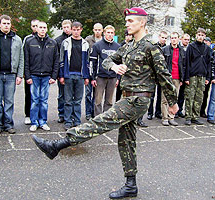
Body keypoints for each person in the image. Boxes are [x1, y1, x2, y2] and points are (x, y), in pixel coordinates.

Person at [31, 7, 178, 199]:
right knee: (126, 140)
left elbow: (164, 75)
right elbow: (106, 61)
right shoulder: (128, 46)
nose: (127, 24)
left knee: (101, 121)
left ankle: (58, 145)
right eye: (126, 21)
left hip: (138, 99)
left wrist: (173, 103)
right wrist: (115, 66)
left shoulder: (151, 47)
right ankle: (130, 185)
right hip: (127, 96)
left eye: (131, 21)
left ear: (142, 23)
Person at [0, 15, 24, 135]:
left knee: (9, 101)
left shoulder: (17, 39)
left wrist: (19, 75)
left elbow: (21, 58)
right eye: (4, 23)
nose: (6, 25)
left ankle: (8, 124)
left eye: (8, 23)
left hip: (11, 75)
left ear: (10, 25)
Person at [24, 21, 59, 132]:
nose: (42, 29)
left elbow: (56, 61)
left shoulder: (52, 43)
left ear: (47, 29)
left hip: (46, 76)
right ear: (36, 29)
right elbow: (26, 61)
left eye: (44, 27)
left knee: (44, 100)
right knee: (35, 100)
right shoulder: (29, 42)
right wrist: (27, 76)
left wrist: (54, 76)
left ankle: (43, 121)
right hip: (34, 76)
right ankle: (34, 122)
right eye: (40, 27)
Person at [59, 21, 90, 130]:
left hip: (80, 75)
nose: (76, 32)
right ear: (71, 30)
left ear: (81, 29)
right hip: (68, 75)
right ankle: (67, 121)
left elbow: (87, 62)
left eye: (78, 29)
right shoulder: (66, 42)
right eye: (74, 29)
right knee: (68, 100)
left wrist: (87, 77)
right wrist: (61, 75)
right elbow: (61, 59)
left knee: (77, 100)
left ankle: (77, 120)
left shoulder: (85, 44)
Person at [90, 25, 120, 116]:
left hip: (113, 77)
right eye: (108, 32)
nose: (110, 35)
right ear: (104, 33)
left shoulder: (118, 46)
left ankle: (106, 119)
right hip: (100, 77)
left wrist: (118, 78)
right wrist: (93, 78)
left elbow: (120, 63)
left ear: (114, 34)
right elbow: (93, 63)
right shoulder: (97, 45)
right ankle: (98, 119)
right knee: (98, 100)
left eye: (111, 33)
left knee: (109, 101)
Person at [184, 28, 211, 125]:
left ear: (205, 37)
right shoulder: (191, 47)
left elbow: (209, 64)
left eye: (202, 35)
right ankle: (188, 116)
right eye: (199, 34)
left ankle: (195, 116)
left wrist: (208, 77)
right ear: (196, 35)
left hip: (202, 76)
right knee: (190, 96)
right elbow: (186, 62)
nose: (200, 36)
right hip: (192, 76)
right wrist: (186, 77)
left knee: (199, 97)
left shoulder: (207, 48)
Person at [161, 32, 185, 126]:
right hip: (167, 78)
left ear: (178, 39)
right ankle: (165, 118)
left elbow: (183, 65)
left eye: (175, 38)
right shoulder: (165, 49)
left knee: (174, 98)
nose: (173, 39)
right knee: (165, 99)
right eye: (172, 38)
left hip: (177, 78)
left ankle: (171, 117)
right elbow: (162, 64)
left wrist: (182, 79)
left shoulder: (182, 51)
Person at [146, 31, 167, 120]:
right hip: (153, 74)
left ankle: (158, 112)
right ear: (159, 37)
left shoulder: (167, 48)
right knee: (151, 95)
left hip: (160, 74)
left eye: (165, 38)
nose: (164, 39)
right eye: (162, 37)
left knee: (160, 96)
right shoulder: (154, 47)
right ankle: (150, 112)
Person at [85, 23, 103, 120]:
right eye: (96, 30)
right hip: (89, 69)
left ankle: (94, 112)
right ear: (93, 30)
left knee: (97, 94)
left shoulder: (104, 41)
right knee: (88, 93)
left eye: (99, 30)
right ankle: (88, 112)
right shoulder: (88, 40)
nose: (97, 31)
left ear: (102, 30)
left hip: (99, 72)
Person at [55, 20, 72, 123]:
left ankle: (70, 114)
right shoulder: (58, 41)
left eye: (68, 27)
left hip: (72, 72)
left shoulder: (76, 39)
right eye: (64, 27)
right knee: (62, 95)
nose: (66, 29)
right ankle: (61, 114)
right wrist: (58, 74)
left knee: (71, 96)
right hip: (62, 72)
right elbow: (57, 58)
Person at [22, 19, 39, 125]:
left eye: (37, 25)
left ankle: (38, 115)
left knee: (40, 96)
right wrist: (24, 72)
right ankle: (28, 115)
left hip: (41, 72)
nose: (36, 28)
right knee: (29, 94)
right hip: (30, 72)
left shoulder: (46, 40)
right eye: (33, 26)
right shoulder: (27, 39)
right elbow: (24, 56)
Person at [176, 33, 190, 118]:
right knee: (176, 94)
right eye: (185, 39)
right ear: (181, 39)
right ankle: (175, 110)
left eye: (188, 40)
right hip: (178, 74)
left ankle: (180, 110)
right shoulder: (178, 48)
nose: (187, 41)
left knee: (182, 95)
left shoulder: (189, 49)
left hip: (186, 74)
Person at [200, 37, 213, 118]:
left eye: (207, 41)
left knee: (205, 95)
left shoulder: (211, 52)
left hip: (206, 76)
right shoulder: (200, 50)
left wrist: (209, 77)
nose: (206, 42)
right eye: (205, 41)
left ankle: (202, 111)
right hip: (199, 74)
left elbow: (210, 65)